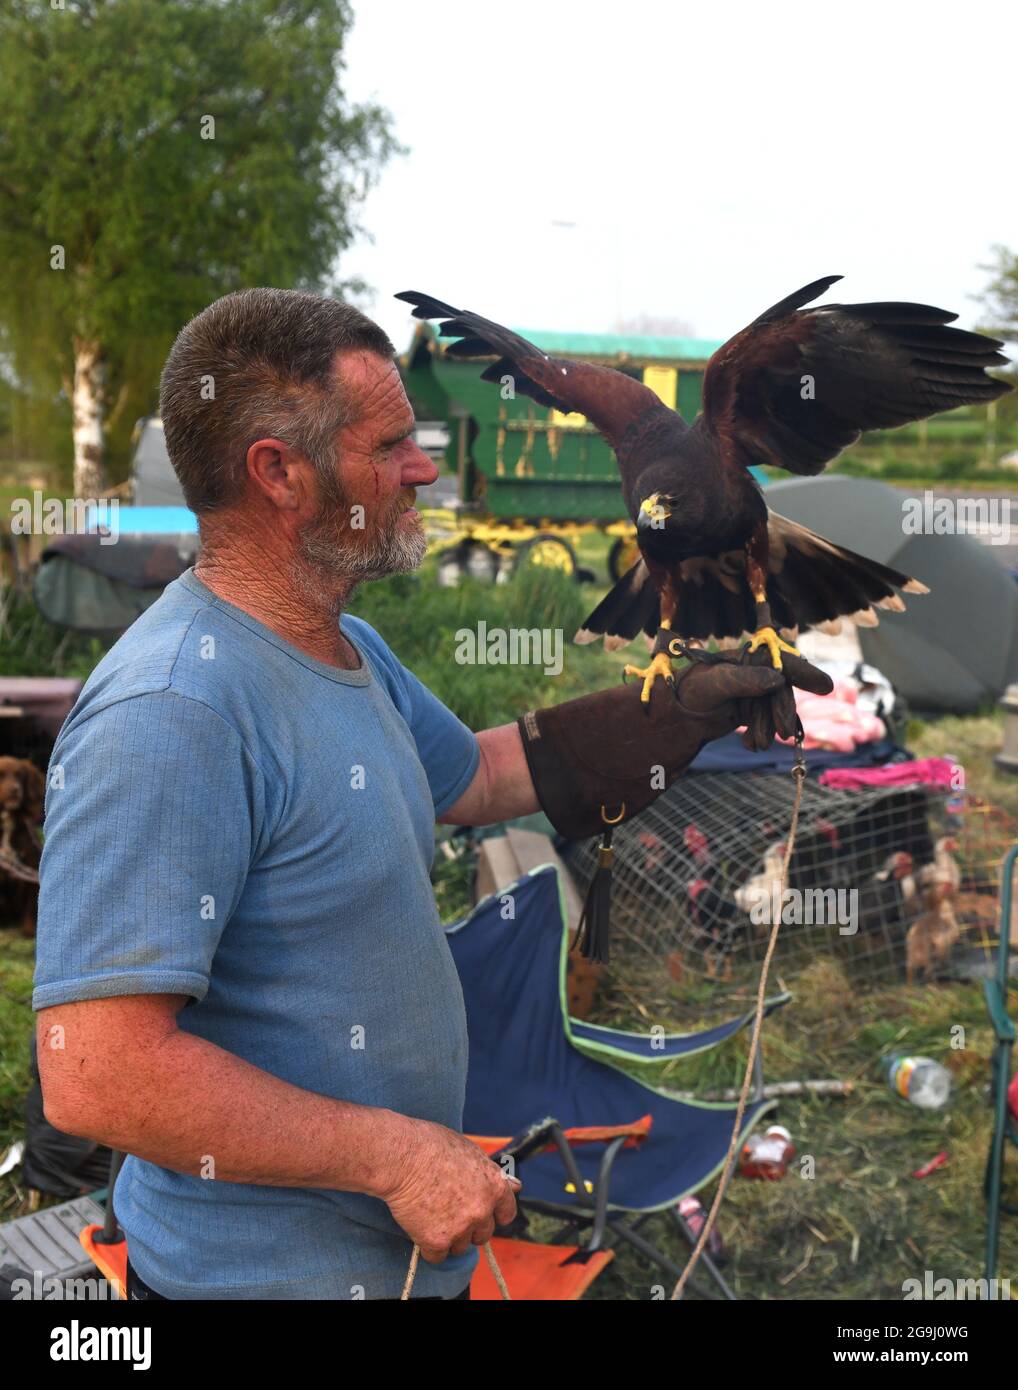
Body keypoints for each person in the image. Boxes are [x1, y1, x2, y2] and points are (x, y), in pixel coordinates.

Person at [33, 288, 826, 1300]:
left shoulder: (344, 645)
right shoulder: (173, 710)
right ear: (279, 474)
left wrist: (675, 713)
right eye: (391, 445)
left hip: (405, 1263)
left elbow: (480, 776)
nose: (427, 467)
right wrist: (393, 1158)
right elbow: (100, 1071)